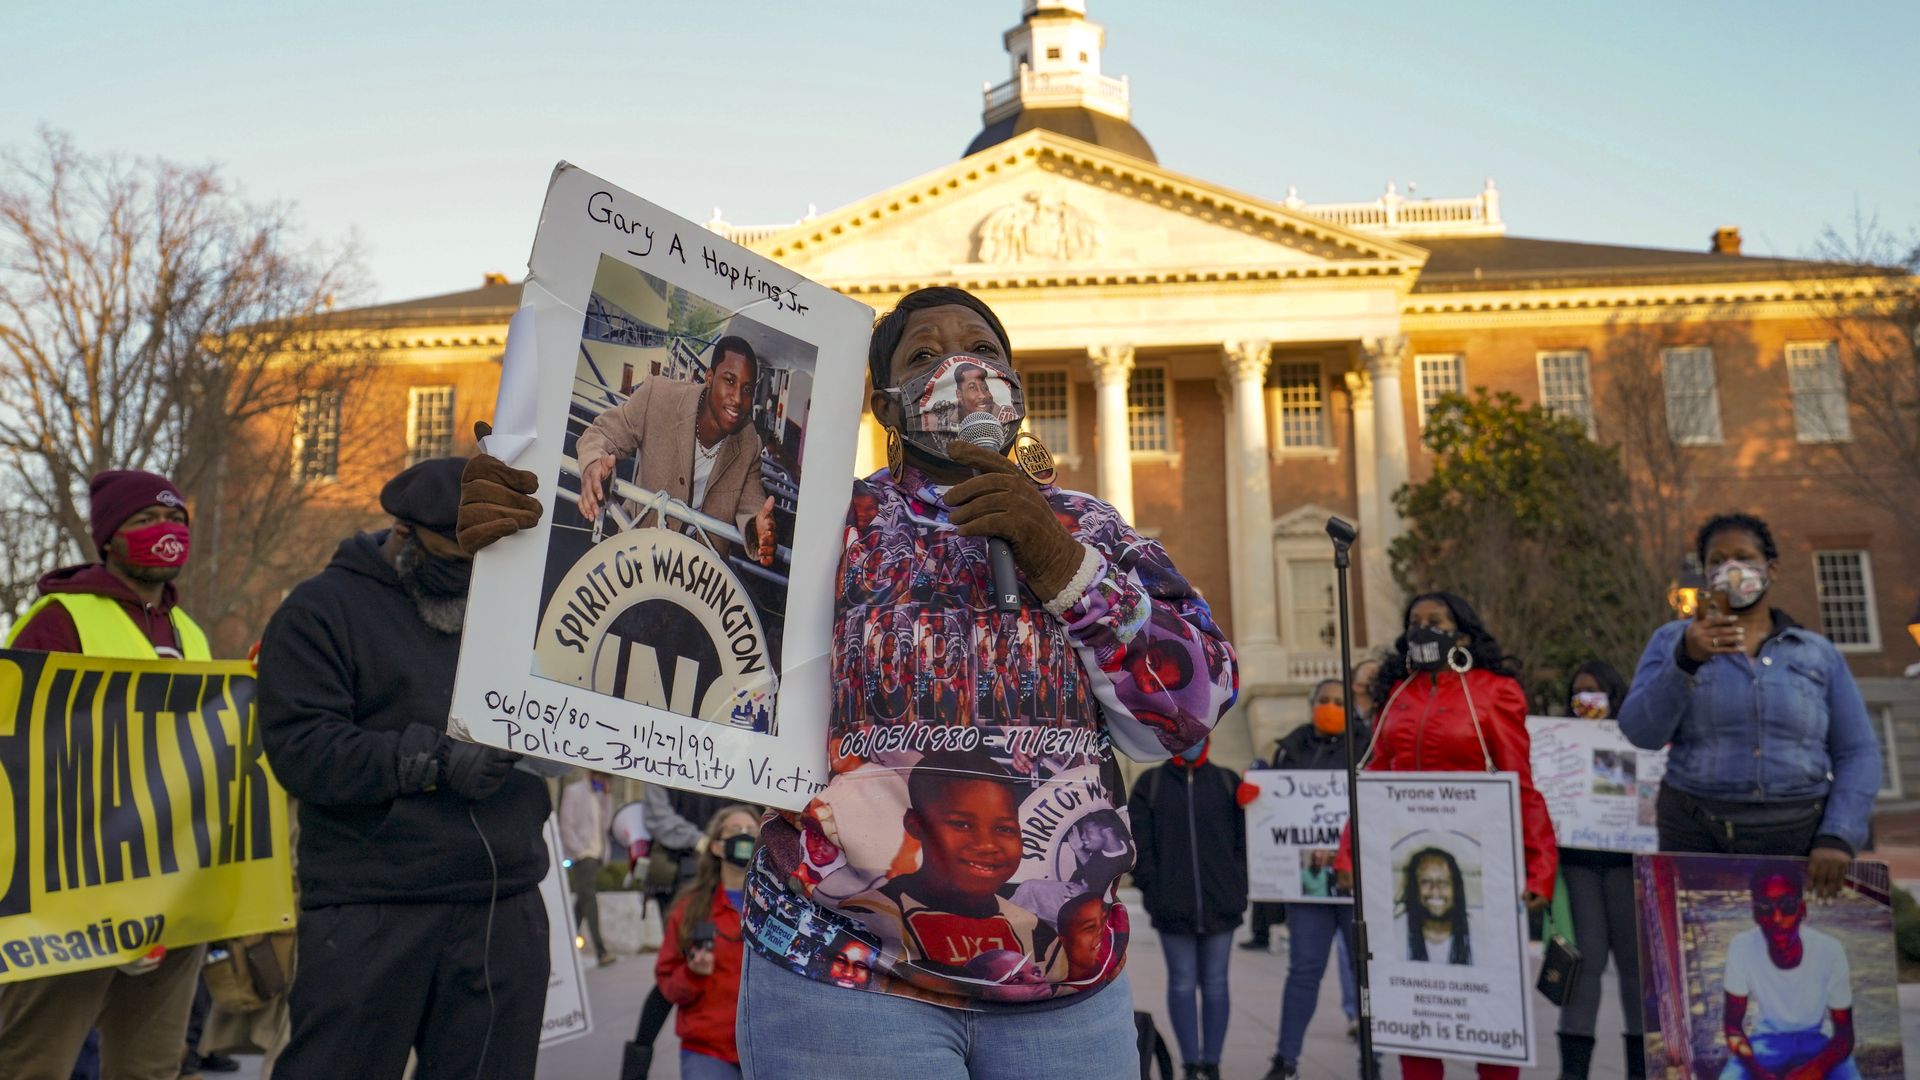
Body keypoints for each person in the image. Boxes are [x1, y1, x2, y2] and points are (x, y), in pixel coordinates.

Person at [457, 285, 1237, 1078]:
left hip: (1062, 993)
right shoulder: (823, 531)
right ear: (885, 404)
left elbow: (1189, 713)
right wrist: (511, 570)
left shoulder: (1090, 529)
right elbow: (650, 655)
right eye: (925, 357)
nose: (962, 370)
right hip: (846, 982)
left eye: (985, 352)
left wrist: (1062, 563)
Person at [258, 458, 551, 1080]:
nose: (467, 580)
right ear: (405, 537)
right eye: (454, 562)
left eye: (481, 567)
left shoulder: (514, 616)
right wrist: (432, 761)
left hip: (499, 906)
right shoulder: (320, 612)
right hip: (371, 908)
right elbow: (303, 749)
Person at [0, 470, 212, 1080]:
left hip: (174, 886)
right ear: (109, 539)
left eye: (176, 521)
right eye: (146, 521)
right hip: (72, 888)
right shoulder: (57, 620)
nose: (166, 533)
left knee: (150, 1068)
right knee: (33, 1064)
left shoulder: (190, 633)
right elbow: (20, 741)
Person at [1336, 592, 1557, 1080]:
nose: (1423, 629)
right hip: (1405, 867)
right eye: (1415, 621)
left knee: (1489, 998)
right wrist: (1348, 855)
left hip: (1482, 866)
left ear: (1461, 633)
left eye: (1436, 621)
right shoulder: (1395, 694)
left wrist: (1540, 868)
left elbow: (1522, 783)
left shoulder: (1494, 691)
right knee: (1413, 1003)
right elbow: (1371, 778)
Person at [1619, 512, 1880, 899]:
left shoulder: (1817, 654)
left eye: (1742, 557)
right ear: (1705, 573)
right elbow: (1641, 732)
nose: (1730, 570)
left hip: (1799, 838)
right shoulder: (1671, 641)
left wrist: (1839, 835)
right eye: (1717, 561)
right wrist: (1685, 660)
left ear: (1771, 570)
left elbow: (1858, 751)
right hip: (1697, 833)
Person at [574, 334, 777, 566]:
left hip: (698, 581)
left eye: (748, 389)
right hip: (637, 561)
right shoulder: (658, 397)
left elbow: (751, 507)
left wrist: (759, 530)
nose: (738, 398)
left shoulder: (749, 441)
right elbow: (602, 434)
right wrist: (593, 464)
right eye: (729, 380)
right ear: (710, 378)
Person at [1259, 678, 1367, 1080]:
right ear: (1311, 704)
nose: (1331, 706)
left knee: (1364, 972)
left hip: (1358, 882)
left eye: (1340, 701)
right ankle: (1285, 1059)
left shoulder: (1367, 746)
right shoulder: (1290, 747)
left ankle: (1372, 1058)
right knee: (1304, 971)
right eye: (1324, 700)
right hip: (1306, 884)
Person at [1128, 739, 1247, 1080]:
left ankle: (1212, 1061)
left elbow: (1243, 842)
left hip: (1220, 904)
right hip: (1172, 906)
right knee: (1181, 984)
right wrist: (1153, 888)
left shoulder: (1227, 781)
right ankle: (1190, 1062)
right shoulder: (1150, 785)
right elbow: (1140, 844)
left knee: (1216, 984)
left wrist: (1238, 885)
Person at [1555, 661, 1645, 1080]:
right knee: (1584, 963)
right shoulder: (1559, 741)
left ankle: (1643, 1068)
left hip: (1627, 863)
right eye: (1578, 693)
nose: (1585, 701)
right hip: (1578, 863)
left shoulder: (1636, 737)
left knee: (1634, 965)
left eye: (1594, 692)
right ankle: (1573, 1071)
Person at [624, 784, 736, 1080]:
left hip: (732, 871)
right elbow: (658, 816)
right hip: (681, 874)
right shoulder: (667, 757)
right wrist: (703, 841)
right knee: (683, 966)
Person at [1719, 865, 1858, 1080]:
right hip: (1764, 1045)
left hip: (1817, 1045)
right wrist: (1758, 1071)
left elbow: (1844, 1036)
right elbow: (1733, 1028)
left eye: (1787, 905)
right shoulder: (1741, 947)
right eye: (1765, 907)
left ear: (1802, 910)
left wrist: (1814, 1070)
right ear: (1755, 913)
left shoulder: (1830, 951)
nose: (1776, 918)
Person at [656, 806, 761, 1080]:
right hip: (708, 1051)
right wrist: (692, 974)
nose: (744, 837)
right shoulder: (690, 909)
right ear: (716, 846)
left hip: (765, 1050)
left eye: (752, 832)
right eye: (735, 831)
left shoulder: (779, 908)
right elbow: (667, 984)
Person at [561, 770, 618, 968]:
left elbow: (607, 824)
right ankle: (601, 952)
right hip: (583, 856)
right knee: (589, 899)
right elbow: (566, 825)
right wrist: (578, 851)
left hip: (597, 856)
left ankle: (564, 946)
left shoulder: (600, 796)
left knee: (582, 902)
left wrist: (607, 798)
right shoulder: (573, 791)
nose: (604, 781)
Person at [1395, 848, 1473, 964]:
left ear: (1456, 889)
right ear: (1414, 888)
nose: (1435, 890)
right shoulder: (1395, 933)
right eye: (1426, 881)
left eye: (1443, 882)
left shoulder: (1479, 935)